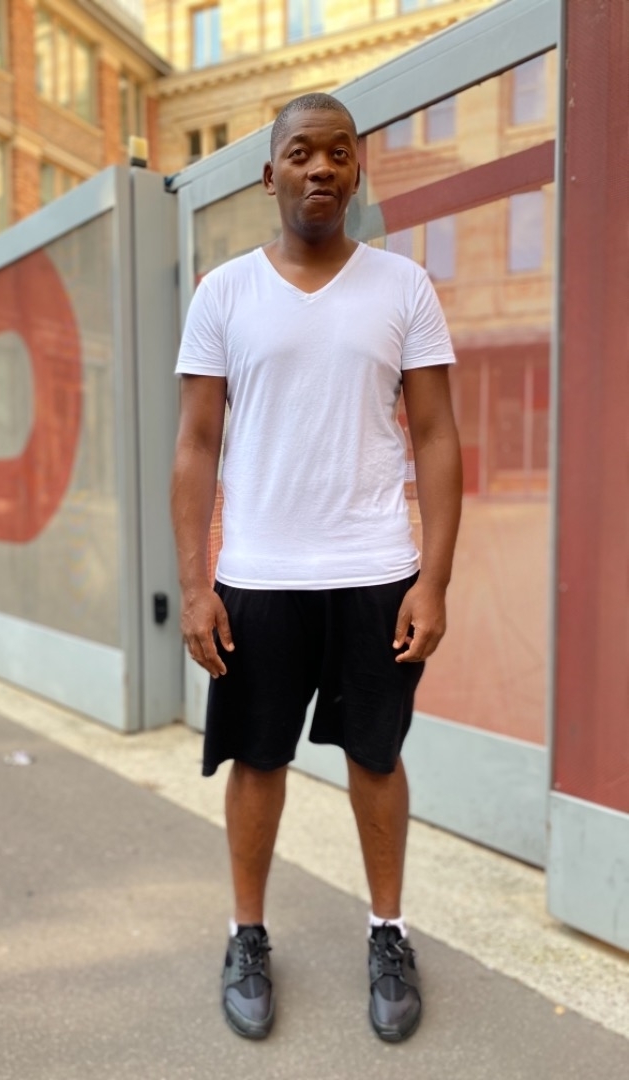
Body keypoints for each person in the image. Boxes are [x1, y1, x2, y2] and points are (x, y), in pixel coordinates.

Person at [170, 92, 462, 1043]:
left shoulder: (403, 288)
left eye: (339, 151)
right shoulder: (224, 294)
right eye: (302, 152)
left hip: (375, 569)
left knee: (376, 755)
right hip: (258, 577)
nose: (322, 167)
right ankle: (246, 935)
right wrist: (198, 584)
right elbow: (195, 444)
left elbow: (437, 436)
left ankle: (388, 932)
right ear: (271, 174)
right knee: (258, 759)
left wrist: (433, 580)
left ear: (357, 169)